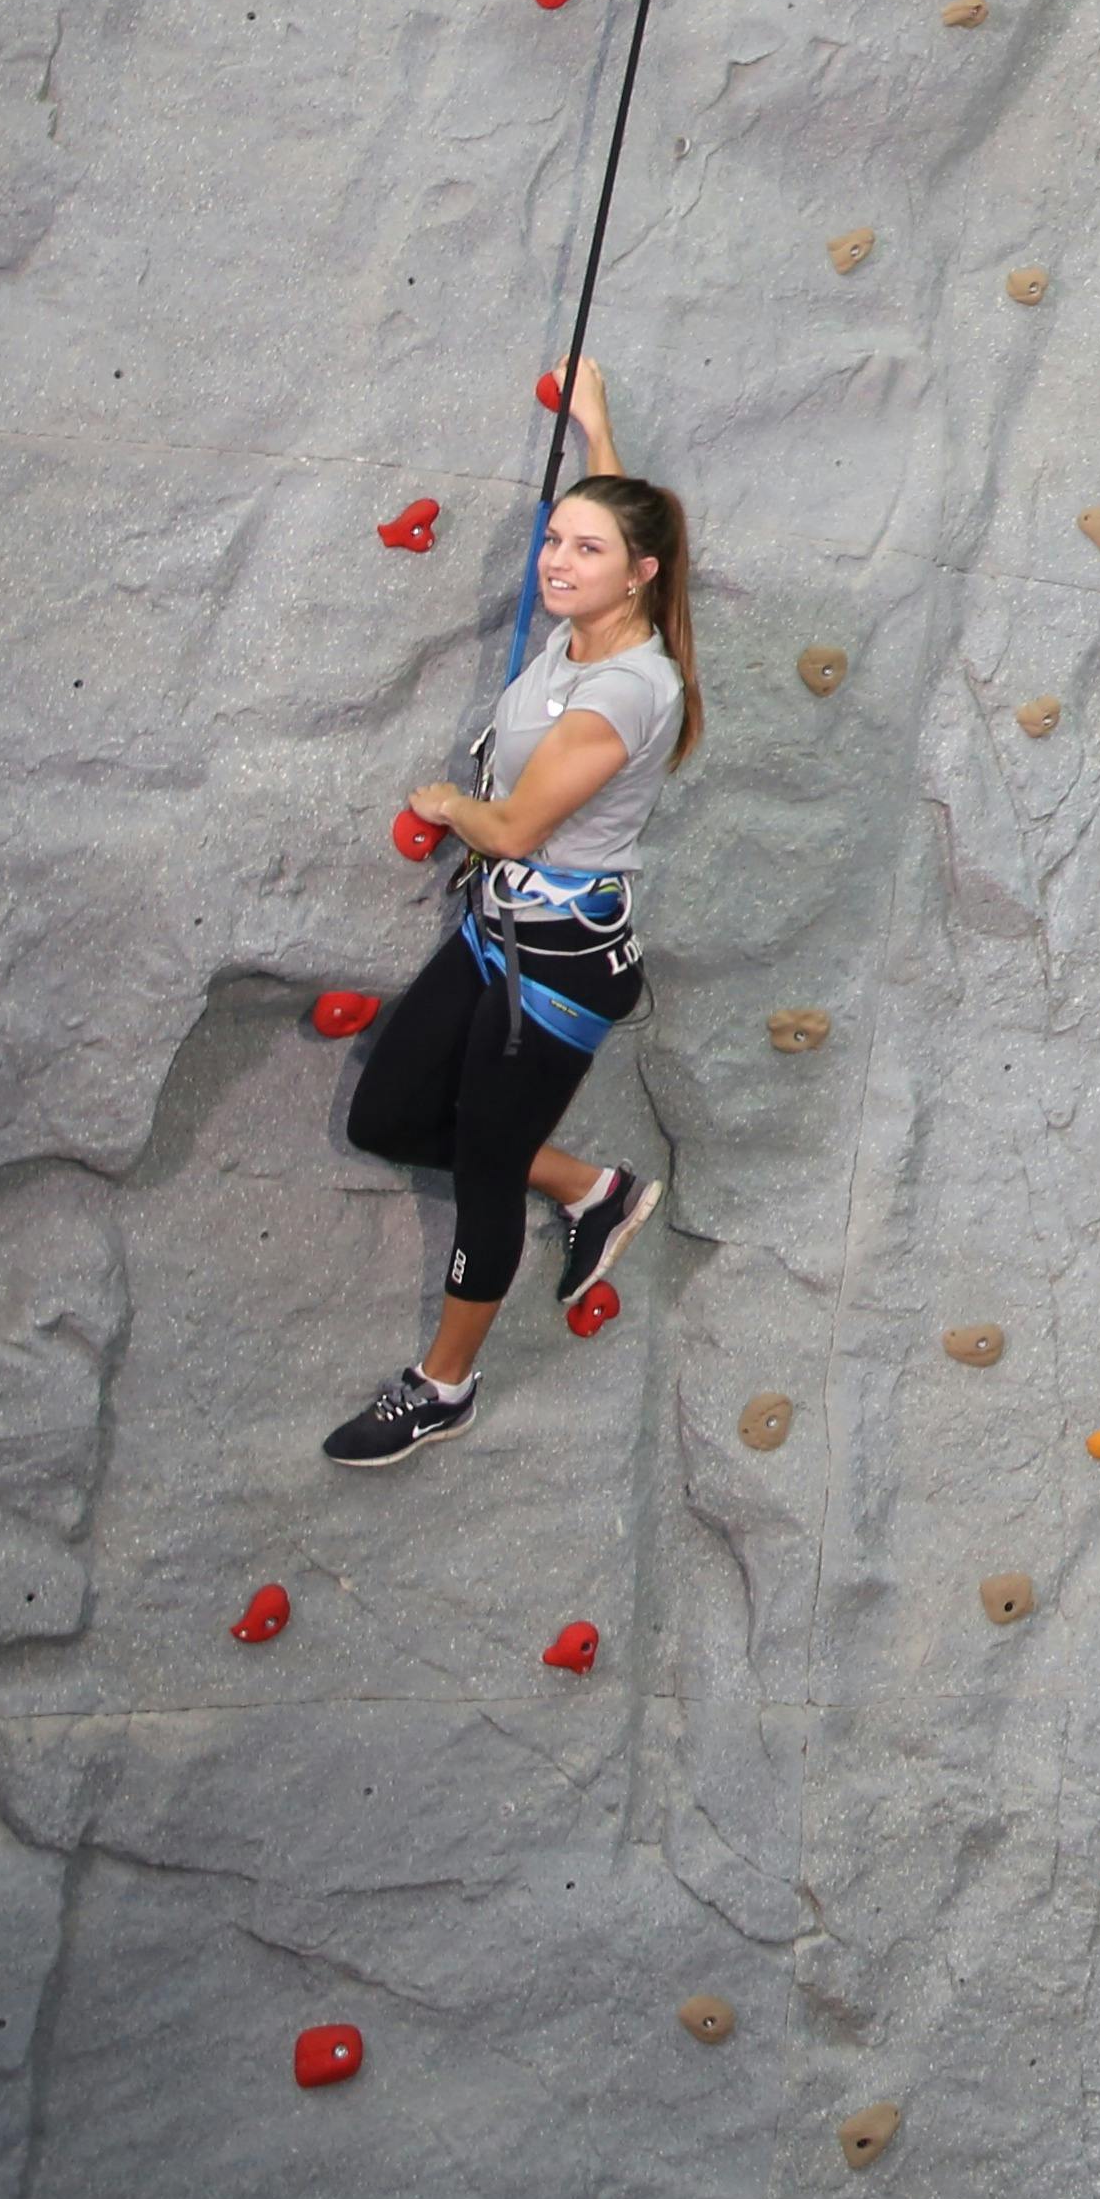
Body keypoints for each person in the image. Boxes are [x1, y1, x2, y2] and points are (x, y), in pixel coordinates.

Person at [327, 357, 691, 1470]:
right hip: (501, 938)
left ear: (638, 577)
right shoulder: (592, 626)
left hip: (562, 968)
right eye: (554, 542)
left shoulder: (625, 691)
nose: (558, 561)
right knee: (384, 1119)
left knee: (484, 1171)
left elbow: (516, 830)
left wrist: (447, 802)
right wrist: (596, 427)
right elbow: (628, 523)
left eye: (584, 551)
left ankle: (443, 1387)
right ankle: (592, 1187)